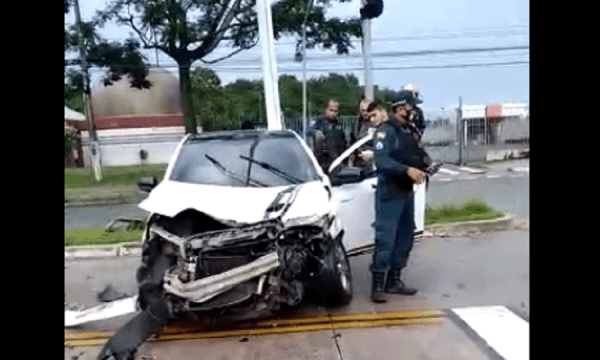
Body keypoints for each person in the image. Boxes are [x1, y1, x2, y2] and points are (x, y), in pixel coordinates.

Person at [370, 90, 432, 303]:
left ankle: (394, 280)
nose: (414, 110)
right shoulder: (386, 132)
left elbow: (419, 153)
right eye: (411, 106)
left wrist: (425, 166)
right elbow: (382, 160)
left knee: (405, 238)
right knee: (386, 239)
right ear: (400, 107)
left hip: (407, 192)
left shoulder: (410, 131)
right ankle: (378, 284)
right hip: (390, 192)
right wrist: (406, 170)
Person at [308, 100, 347, 174]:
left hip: (337, 164)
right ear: (325, 110)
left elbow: (343, 144)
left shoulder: (338, 126)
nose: (333, 113)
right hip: (323, 164)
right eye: (331, 110)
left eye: (335, 111)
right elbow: (310, 134)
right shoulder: (318, 125)